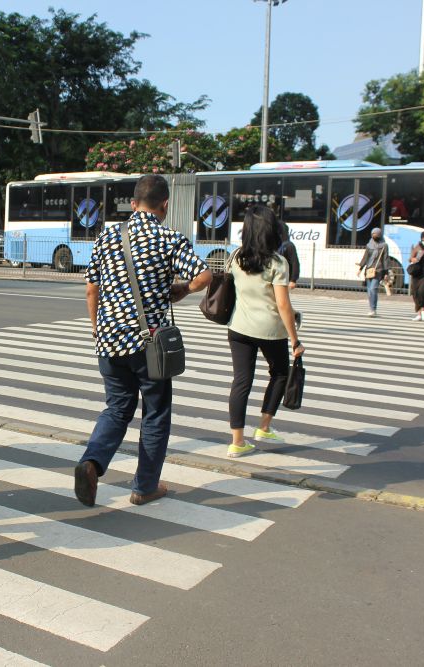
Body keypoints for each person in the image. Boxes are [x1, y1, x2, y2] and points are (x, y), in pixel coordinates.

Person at [73, 174, 211, 508]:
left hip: (108, 342)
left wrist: (97, 328)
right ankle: (144, 486)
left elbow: (92, 288)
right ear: (165, 205)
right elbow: (204, 275)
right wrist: (182, 290)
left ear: (134, 203)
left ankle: (91, 463)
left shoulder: (107, 237)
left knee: (117, 407)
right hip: (148, 346)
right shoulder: (168, 238)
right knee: (155, 413)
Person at [226, 205, 305, 458]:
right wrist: (295, 339)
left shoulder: (236, 257)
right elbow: (283, 305)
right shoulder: (278, 263)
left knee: (241, 381)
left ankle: (237, 442)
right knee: (280, 373)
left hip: (238, 327)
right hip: (270, 330)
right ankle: (264, 426)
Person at [356, 227, 391, 317]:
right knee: (369, 291)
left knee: (373, 289)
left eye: (376, 234)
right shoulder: (369, 245)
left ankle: (373, 309)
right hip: (369, 270)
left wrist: (386, 272)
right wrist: (360, 269)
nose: (374, 236)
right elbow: (365, 257)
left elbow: (386, 259)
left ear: (379, 235)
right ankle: (371, 308)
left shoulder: (384, 246)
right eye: (373, 234)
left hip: (378, 270)